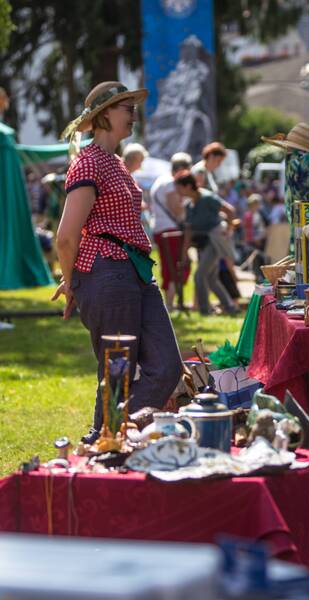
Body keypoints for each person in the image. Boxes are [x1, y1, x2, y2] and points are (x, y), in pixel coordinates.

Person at [52, 81, 183, 444]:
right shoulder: (88, 162)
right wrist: (72, 280)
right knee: (117, 372)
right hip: (107, 272)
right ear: (105, 115)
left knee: (167, 367)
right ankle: (105, 442)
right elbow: (65, 236)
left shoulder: (115, 162)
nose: (133, 113)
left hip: (135, 271)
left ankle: (107, 435)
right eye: (126, 107)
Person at [175, 170, 239, 315]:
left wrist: (229, 229)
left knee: (199, 275)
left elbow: (229, 210)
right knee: (211, 278)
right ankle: (231, 307)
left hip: (216, 240)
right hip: (204, 243)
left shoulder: (207, 197)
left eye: (179, 187)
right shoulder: (189, 205)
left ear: (188, 186)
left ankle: (205, 311)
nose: (177, 190)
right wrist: (184, 255)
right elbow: (188, 232)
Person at [150, 152, 193, 309]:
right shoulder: (170, 183)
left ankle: (170, 304)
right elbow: (176, 210)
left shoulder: (163, 180)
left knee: (172, 267)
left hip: (164, 229)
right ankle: (169, 304)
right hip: (170, 230)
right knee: (176, 267)